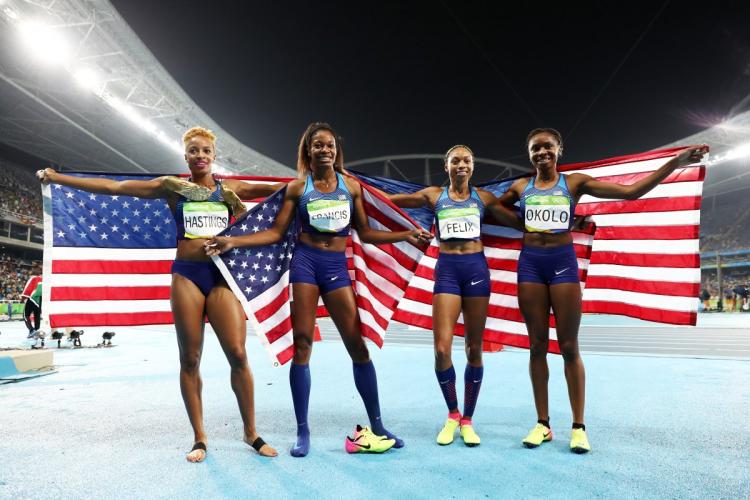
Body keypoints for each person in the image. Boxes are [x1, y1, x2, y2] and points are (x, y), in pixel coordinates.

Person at [37, 126, 283, 462]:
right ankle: (199, 438)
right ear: (186, 156)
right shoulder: (172, 188)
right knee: (190, 359)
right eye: (193, 151)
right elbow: (115, 187)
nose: (199, 156)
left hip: (222, 276)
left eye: (205, 151)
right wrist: (59, 178)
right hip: (187, 276)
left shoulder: (231, 189)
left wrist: (323, 178)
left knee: (238, 354)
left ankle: (250, 433)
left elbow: (283, 190)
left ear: (214, 156)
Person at [205, 122, 432, 457]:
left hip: (336, 268)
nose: (325, 150)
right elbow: (275, 233)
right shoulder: (298, 189)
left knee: (358, 346)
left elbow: (366, 233)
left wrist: (406, 235)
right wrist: (232, 240)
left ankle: (378, 425)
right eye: (318, 146)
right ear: (307, 151)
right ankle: (303, 431)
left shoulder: (351, 187)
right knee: (303, 345)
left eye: (330, 146)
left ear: (336, 151)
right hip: (306, 264)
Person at [500, 128, 706, 453]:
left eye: (547, 147)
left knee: (568, 346)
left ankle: (579, 426)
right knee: (537, 345)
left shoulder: (575, 183)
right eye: (535, 149)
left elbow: (631, 192)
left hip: (562, 264)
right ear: (529, 154)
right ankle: (542, 424)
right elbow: (485, 211)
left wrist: (675, 163)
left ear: (559, 149)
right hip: (530, 267)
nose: (541, 153)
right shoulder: (520, 187)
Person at [376, 145, 522, 447]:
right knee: (442, 349)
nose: (461, 164)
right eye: (455, 160)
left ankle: (468, 419)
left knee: (474, 349)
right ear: (447, 167)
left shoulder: (483, 198)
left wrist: (563, 224)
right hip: (447, 273)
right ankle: (452, 413)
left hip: (477, 272)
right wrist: (353, 195)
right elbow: (389, 202)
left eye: (466, 160)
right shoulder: (433, 196)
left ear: (472, 166)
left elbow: (517, 222)